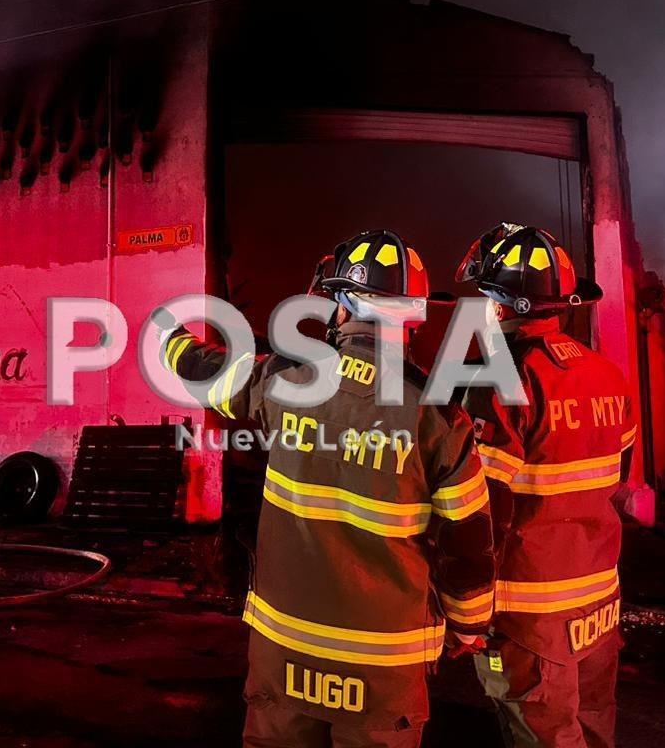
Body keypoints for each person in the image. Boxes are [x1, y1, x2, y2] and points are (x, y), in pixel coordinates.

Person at [163, 229, 496, 748]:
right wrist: (470, 625)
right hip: (382, 664)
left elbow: (208, 373)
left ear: (341, 305)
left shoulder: (286, 379)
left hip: (285, 651)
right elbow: (469, 544)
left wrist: (169, 339)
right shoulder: (441, 417)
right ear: (412, 316)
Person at [455, 226, 636, 748]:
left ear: (504, 305)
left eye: (485, 297)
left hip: (529, 614)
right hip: (597, 601)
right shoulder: (605, 374)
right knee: (594, 728)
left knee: (543, 735)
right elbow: (615, 475)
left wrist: (467, 609)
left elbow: (479, 510)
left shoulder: (499, 379)